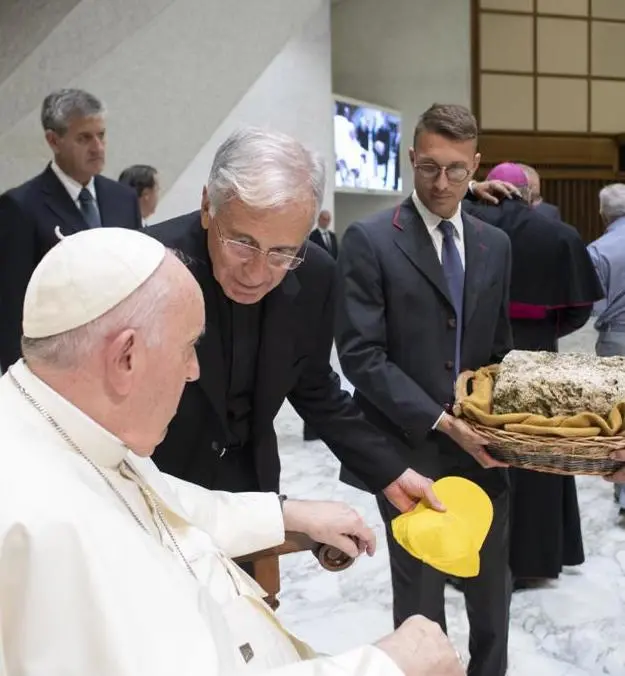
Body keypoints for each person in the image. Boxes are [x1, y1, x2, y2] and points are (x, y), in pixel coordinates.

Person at [0, 226, 465, 676]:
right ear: (126, 357)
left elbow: (166, 505)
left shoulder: (63, 421)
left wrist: (286, 515)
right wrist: (390, 666)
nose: (193, 370)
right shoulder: (47, 527)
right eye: (187, 348)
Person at [147, 128, 442, 517]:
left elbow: (315, 387)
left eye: (283, 252)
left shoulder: (316, 273)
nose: (257, 273)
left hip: (254, 491)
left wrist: (391, 471)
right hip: (159, 491)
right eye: (242, 243)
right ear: (207, 207)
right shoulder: (149, 264)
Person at [335, 103, 513, 676]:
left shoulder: (494, 245)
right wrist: (442, 422)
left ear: (475, 165)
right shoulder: (369, 240)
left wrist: (509, 423)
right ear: (411, 159)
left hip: (483, 449)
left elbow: (497, 352)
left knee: (492, 593)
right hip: (409, 449)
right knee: (419, 602)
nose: (442, 183)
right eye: (430, 167)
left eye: (457, 170)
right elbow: (361, 354)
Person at [463, 162, 603, 588]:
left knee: (477, 454)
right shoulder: (557, 234)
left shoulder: (462, 224)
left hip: (476, 355)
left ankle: (473, 558)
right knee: (538, 453)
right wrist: (543, 330)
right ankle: (534, 561)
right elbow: (580, 307)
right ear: (531, 193)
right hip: (537, 353)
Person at [0, 88, 142, 372]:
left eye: (101, 135)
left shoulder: (123, 199)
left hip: (121, 357)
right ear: (54, 140)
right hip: (57, 364)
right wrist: (20, 379)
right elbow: (13, 304)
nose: (98, 148)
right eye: (84, 138)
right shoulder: (20, 207)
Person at [588, 183, 625, 511]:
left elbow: (595, 306)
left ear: (603, 213)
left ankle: (623, 495)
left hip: (616, 339)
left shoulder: (597, 250)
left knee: (619, 420)